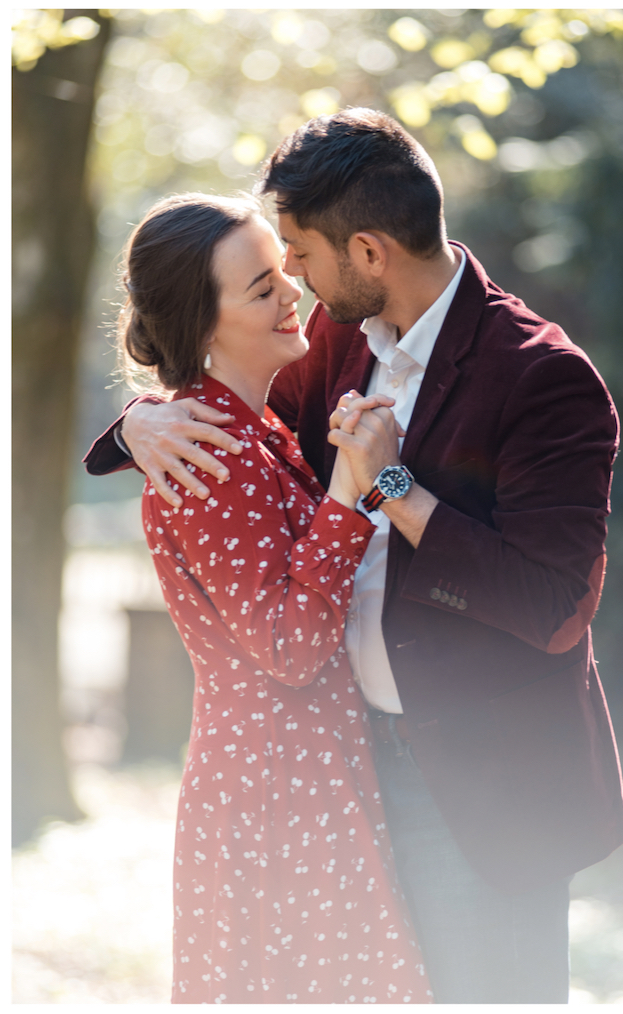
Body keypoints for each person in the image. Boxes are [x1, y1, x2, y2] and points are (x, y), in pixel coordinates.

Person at [85, 109, 623, 1002]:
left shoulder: (543, 377)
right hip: (339, 769)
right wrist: (141, 421)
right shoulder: (338, 339)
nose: (290, 274)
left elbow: (555, 606)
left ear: (368, 252)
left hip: (482, 785)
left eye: (297, 251)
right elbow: (224, 393)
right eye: (275, 268)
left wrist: (394, 491)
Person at [113, 192, 432, 1002]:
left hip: (307, 768)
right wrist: (348, 495)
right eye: (260, 288)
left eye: (282, 266)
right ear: (202, 323)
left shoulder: (254, 428)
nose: (291, 288)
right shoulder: (209, 455)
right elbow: (289, 648)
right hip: (277, 790)